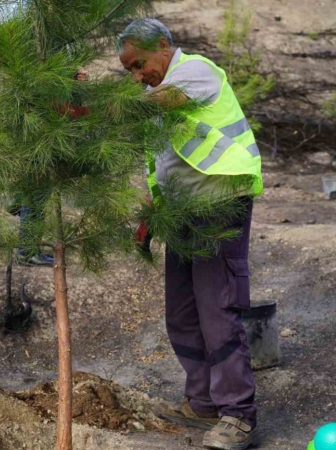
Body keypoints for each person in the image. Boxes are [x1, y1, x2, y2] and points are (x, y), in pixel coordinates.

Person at [117, 19, 263, 450]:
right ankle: (202, 402)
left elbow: (160, 101)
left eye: (139, 64)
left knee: (218, 308)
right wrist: (152, 215)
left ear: (163, 45)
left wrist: (92, 102)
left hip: (219, 203)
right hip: (181, 212)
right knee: (181, 312)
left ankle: (238, 415)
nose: (137, 76)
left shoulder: (195, 71)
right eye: (128, 71)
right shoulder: (150, 94)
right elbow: (167, 165)